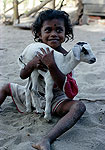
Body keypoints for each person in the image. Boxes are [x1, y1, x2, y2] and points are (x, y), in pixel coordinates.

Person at [0, 9, 86, 150]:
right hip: (34, 96)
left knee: (79, 107)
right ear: (39, 34)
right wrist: (32, 64)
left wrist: (52, 65)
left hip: (55, 101)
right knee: (5, 87)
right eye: (48, 30)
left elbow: (69, 92)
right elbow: (23, 75)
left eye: (59, 30)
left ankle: (46, 139)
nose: (54, 34)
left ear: (66, 34)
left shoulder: (68, 58)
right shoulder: (36, 51)